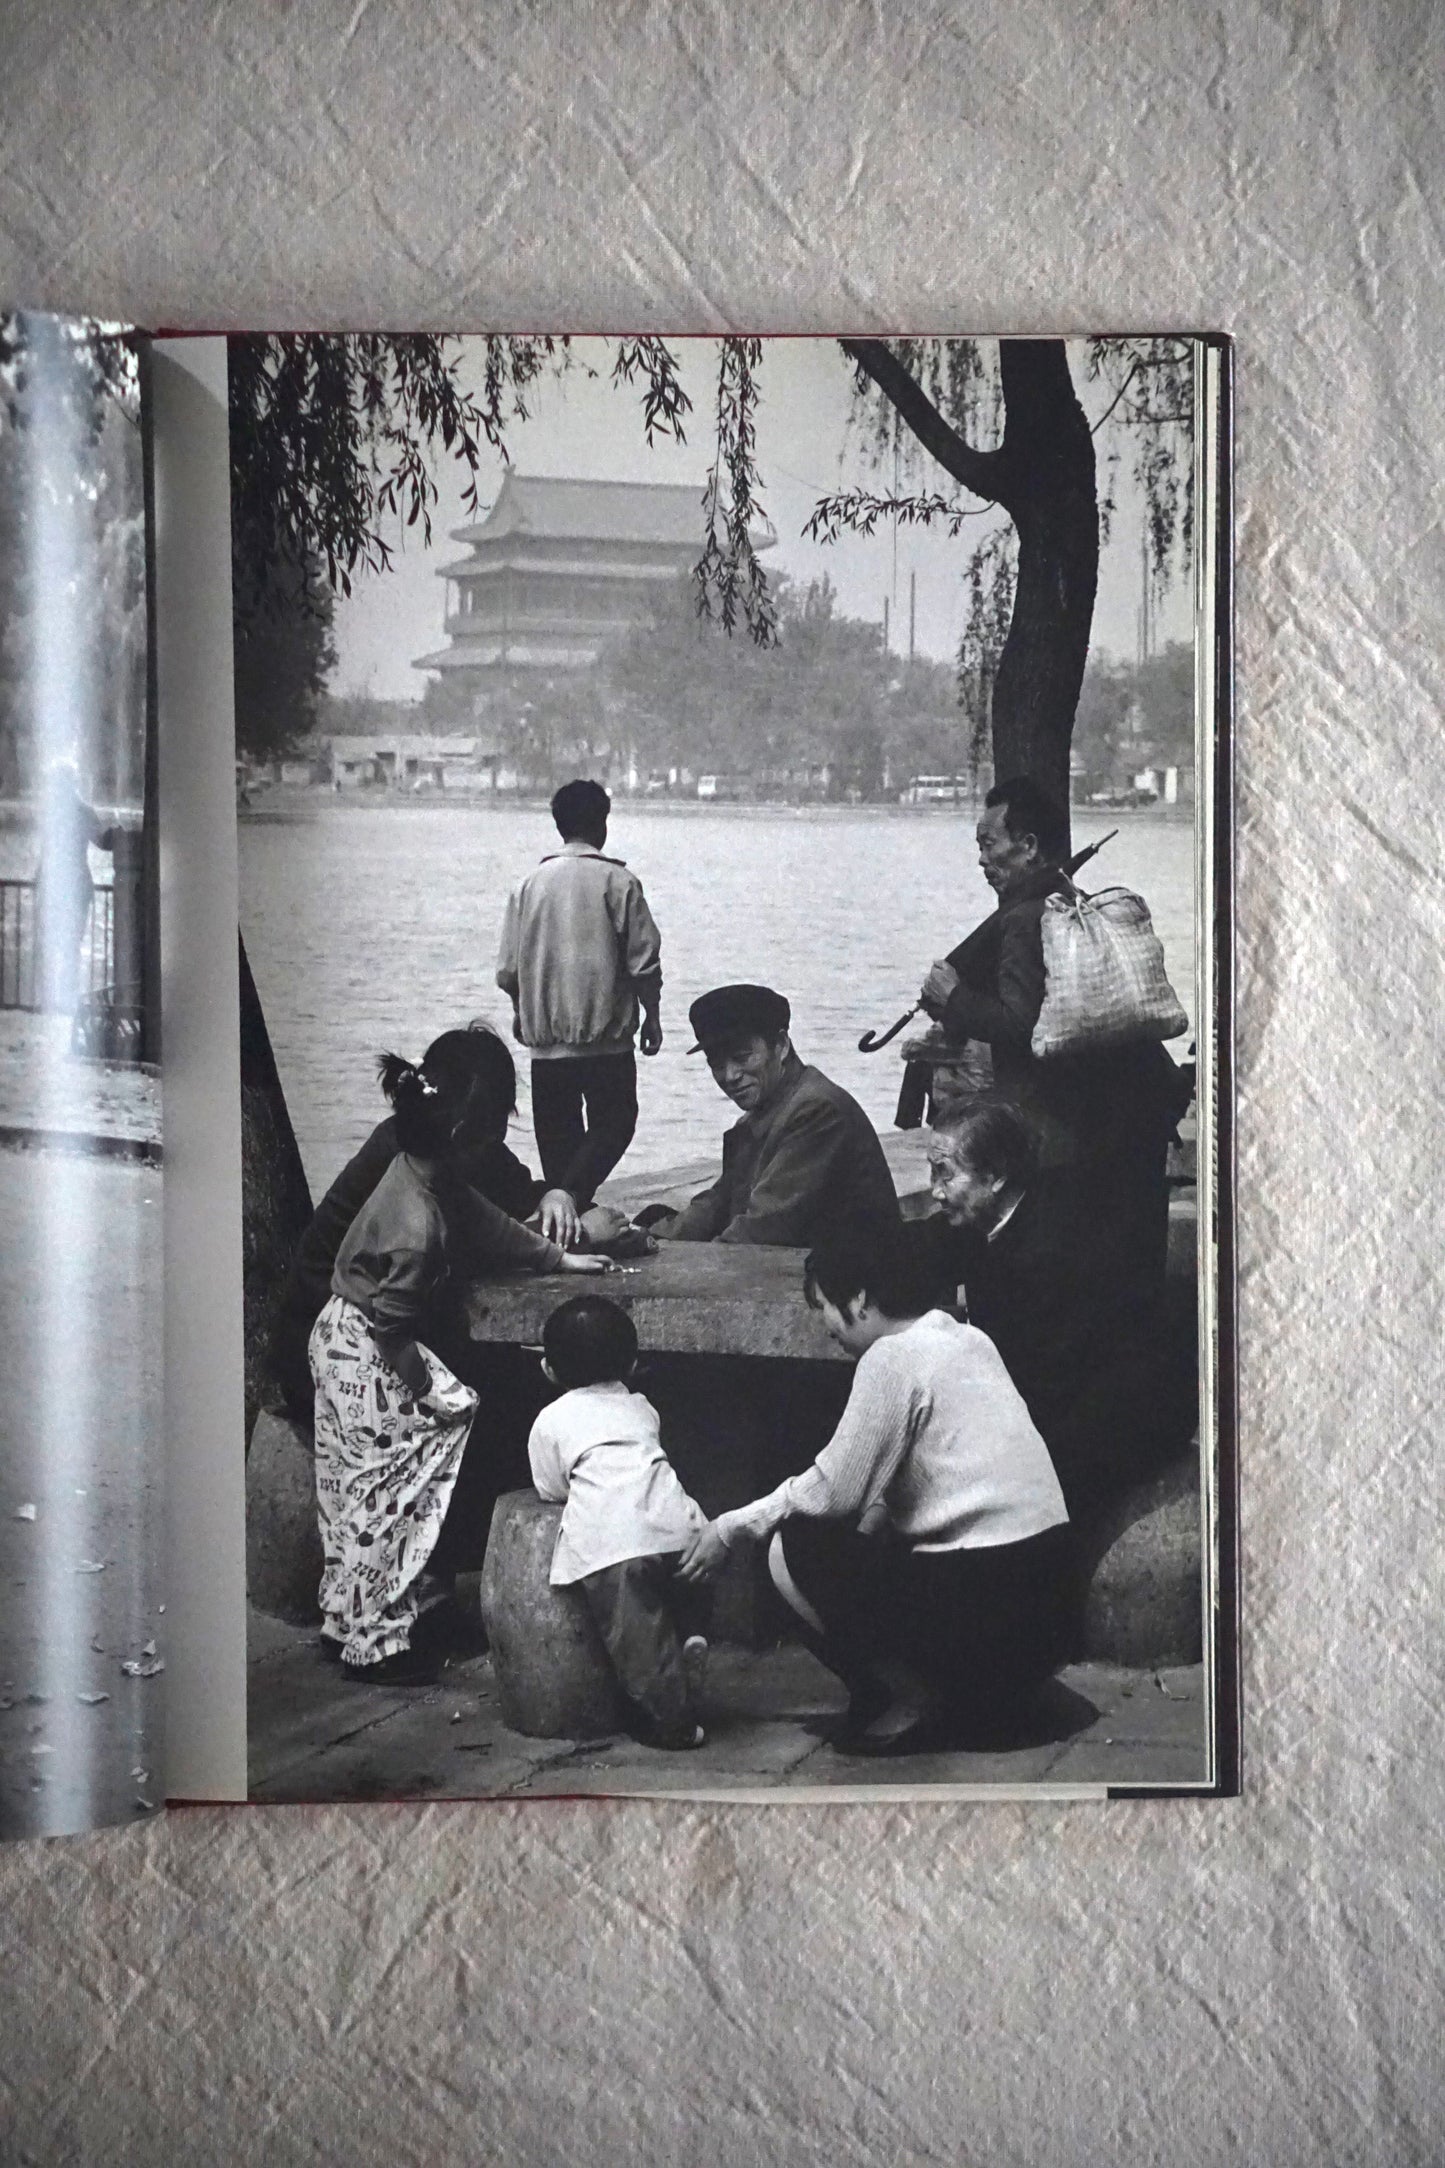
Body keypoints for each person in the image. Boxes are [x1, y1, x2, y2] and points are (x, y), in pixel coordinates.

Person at [678, 1235, 1072, 1755]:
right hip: (1051, 1600)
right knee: (865, 1540)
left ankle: (913, 1701)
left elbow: (830, 1492)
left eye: (823, 1306)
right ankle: (975, 1698)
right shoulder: (968, 1338)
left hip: (987, 1599)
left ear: (860, 1299)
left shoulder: (891, 1358)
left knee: (792, 1545)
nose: (825, 1326)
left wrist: (729, 1528)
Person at [310, 1048, 611, 1685]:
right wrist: (428, 1394)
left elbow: (491, 1223)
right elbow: (393, 1326)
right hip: (366, 1347)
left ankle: (352, 1620)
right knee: (388, 1490)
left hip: (345, 1338)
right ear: (462, 1138)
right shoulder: (415, 1226)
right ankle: (377, 1646)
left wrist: (558, 1261)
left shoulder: (419, 1172)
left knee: (356, 1489)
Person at [917, 775, 1190, 1320]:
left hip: (1072, 1139)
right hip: (1133, 1124)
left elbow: (1021, 1024)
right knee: (1129, 1284)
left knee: (1069, 1286)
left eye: (988, 844)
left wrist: (953, 998)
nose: (981, 860)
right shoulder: (1071, 904)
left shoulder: (1025, 920)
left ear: (1030, 846)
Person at [273, 1023, 581, 1424]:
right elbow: (466, 1245)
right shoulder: (405, 1174)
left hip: (392, 1332)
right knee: (515, 1404)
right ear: (465, 1128)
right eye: (499, 1122)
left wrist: (557, 1195)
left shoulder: (441, 1149)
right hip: (341, 1358)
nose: (503, 1134)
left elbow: (510, 1199)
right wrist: (582, 1238)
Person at [920, 1101, 1192, 1517]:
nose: (934, 1190)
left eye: (945, 1174)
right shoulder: (992, 1211)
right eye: (931, 1171)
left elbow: (1042, 1387)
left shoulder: (1050, 1257)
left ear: (993, 1178)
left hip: (1116, 1415)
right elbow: (920, 1246)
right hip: (1063, 1391)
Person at [528, 1295, 710, 1749]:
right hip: (680, 1525)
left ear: (549, 1370)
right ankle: (691, 1636)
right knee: (674, 1597)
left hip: (619, 1543)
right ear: (631, 1365)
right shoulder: (641, 1406)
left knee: (637, 1640)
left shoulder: (552, 1420)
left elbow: (550, 1486)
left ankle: (672, 1725)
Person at [496, 777, 662, 1207]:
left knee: (558, 1145)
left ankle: (563, 1215)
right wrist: (653, 1018)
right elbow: (644, 964)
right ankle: (570, 1205)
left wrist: (522, 1013)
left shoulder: (529, 885)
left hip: (546, 1046)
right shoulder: (619, 882)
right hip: (606, 1043)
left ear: (559, 826)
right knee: (617, 1121)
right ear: (603, 825)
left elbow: (510, 969)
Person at [650, 984, 903, 1250]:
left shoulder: (817, 1111)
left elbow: (761, 1229)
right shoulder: (771, 1109)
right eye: (717, 1064)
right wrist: (649, 1238)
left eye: (742, 1057)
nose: (730, 1075)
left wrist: (675, 1263)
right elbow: (718, 1201)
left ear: (781, 1046)